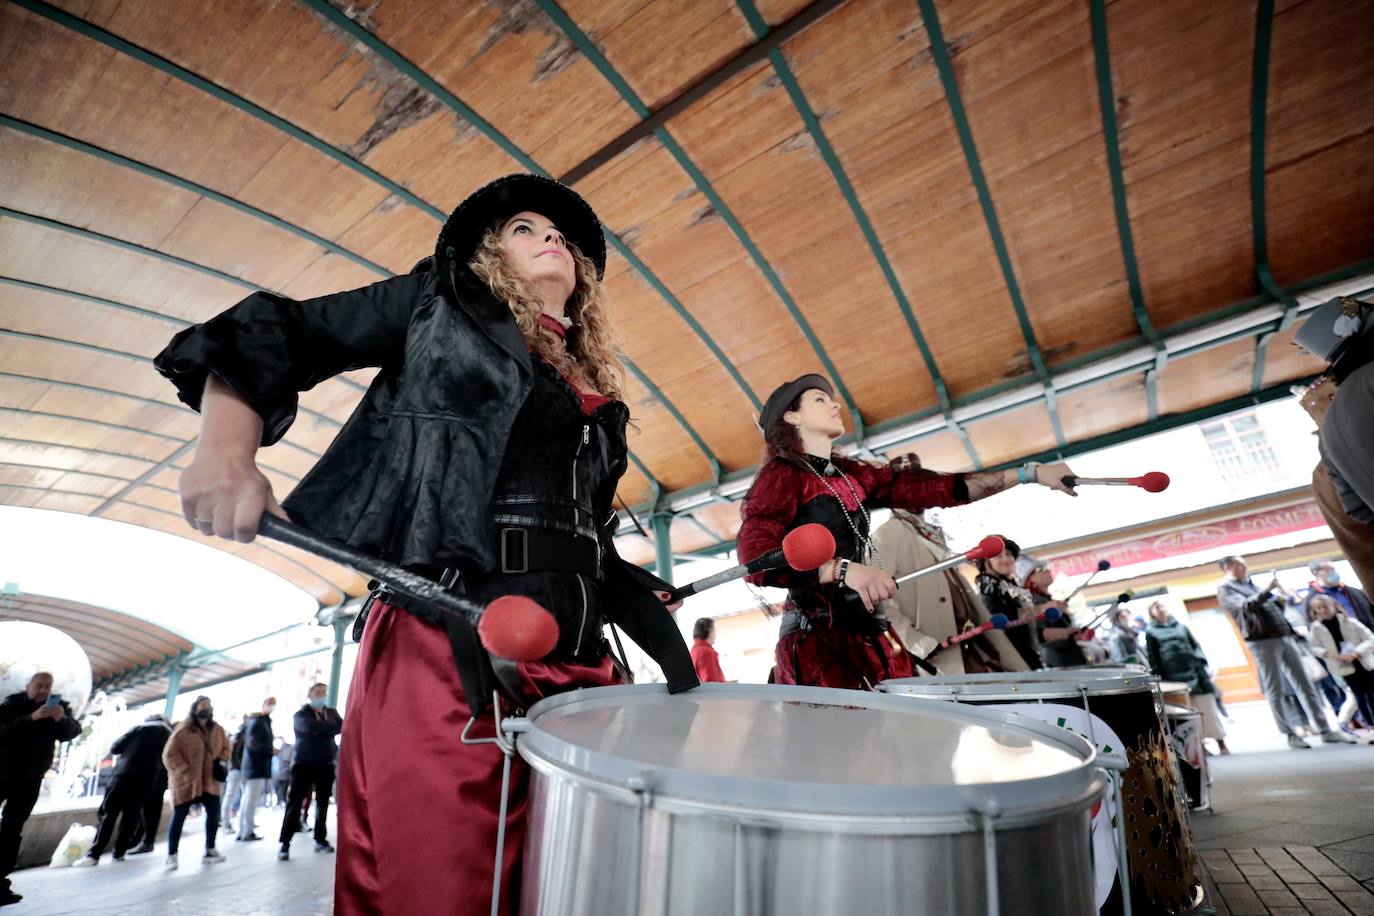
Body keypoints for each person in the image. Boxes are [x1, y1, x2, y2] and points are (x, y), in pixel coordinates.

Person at [154, 173, 694, 915]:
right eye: (525, 228)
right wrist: (224, 450)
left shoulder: (588, 384)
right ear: (487, 257)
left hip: (580, 663)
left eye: (562, 236)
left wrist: (627, 588)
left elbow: (580, 534)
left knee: (571, 889)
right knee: (450, 893)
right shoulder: (437, 302)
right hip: (447, 646)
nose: (552, 239)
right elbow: (277, 332)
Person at [736, 374, 1079, 689]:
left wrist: (1029, 474)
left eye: (831, 398)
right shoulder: (780, 476)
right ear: (791, 417)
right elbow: (755, 561)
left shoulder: (850, 473)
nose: (835, 404)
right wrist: (840, 569)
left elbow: (936, 488)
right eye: (819, 400)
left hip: (870, 639)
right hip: (819, 650)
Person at [871, 504, 1027, 675]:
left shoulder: (929, 532)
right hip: (940, 659)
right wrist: (917, 643)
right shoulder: (889, 533)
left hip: (973, 652)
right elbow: (874, 598)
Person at [1216, 556, 1352, 748]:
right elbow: (1247, 606)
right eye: (1240, 564)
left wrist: (1278, 598)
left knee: (1305, 684)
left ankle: (1325, 730)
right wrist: (1268, 590)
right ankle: (1290, 734)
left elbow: (1269, 606)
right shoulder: (1226, 588)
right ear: (1229, 567)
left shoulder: (1251, 584)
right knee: (1276, 689)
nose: (1245, 566)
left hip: (1284, 635)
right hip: (1262, 641)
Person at [0, 673, 81, 906]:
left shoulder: (58, 708)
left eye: (47, 686)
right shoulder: (12, 705)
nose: (43, 690)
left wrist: (60, 719)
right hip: (2, 773)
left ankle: (0, 880)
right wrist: (30, 718)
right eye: (39, 686)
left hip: (31, 778)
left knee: (12, 828)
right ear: (29, 687)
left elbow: (73, 732)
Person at [75, 711, 172, 865]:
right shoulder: (169, 734)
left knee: (109, 814)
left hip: (123, 775)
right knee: (131, 815)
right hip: (147, 779)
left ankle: (94, 854)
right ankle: (119, 852)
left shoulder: (139, 727)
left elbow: (115, 748)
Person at [1144, 602, 1230, 754]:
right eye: (1158, 608)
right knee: (1187, 715)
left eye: (1163, 606)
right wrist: (1160, 681)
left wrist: (1202, 662)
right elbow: (1154, 658)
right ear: (1152, 613)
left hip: (1196, 674)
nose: (1163, 609)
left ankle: (1221, 743)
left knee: (1208, 709)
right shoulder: (1151, 632)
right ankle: (1200, 748)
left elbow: (1195, 646)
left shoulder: (1181, 627)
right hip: (1174, 678)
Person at [160, 696, 230, 871]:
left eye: (209, 706)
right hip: (186, 782)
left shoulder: (217, 729)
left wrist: (221, 760)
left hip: (209, 780)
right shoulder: (183, 730)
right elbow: (169, 754)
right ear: (195, 708)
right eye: (203, 706)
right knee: (180, 815)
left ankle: (210, 849)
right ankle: (172, 854)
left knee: (214, 814)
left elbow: (226, 747)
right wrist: (184, 770)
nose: (207, 709)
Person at [278, 684, 342, 861]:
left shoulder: (331, 712)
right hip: (303, 764)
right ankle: (285, 843)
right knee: (295, 803)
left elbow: (341, 727)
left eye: (323, 692)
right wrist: (327, 727)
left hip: (325, 764)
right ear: (310, 695)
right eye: (317, 693)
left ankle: (320, 839)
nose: (321, 695)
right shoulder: (300, 714)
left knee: (323, 803)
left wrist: (322, 727)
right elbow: (309, 727)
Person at [1306, 593, 1374, 733]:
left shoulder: (1350, 622)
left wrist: (1356, 653)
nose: (1324, 610)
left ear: (1334, 606)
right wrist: (1328, 654)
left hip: (1363, 664)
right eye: (1319, 608)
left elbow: (1370, 638)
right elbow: (1313, 647)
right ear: (1315, 611)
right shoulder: (1316, 628)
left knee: (1372, 694)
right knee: (1359, 696)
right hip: (1344, 667)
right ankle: (1371, 726)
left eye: (1326, 606)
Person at [975, 538, 1042, 670]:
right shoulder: (988, 583)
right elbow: (998, 618)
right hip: (1013, 661)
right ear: (987, 562)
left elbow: (1026, 629)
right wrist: (1041, 609)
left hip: (1030, 656)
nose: (1006, 559)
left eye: (1009, 554)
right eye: (998, 556)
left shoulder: (1012, 585)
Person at [1017, 555, 1085, 668]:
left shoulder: (1045, 600)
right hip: (1058, 660)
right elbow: (1039, 633)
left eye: (1046, 568)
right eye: (1041, 570)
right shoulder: (1033, 601)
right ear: (1030, 578)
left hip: (1067, 657)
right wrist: (1068, 633)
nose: (1048, 571)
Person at [237, 698, 275, 842]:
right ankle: (247, 831)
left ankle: (245, 830)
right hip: (254, 767)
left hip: (253, 767)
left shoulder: (259, 722)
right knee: (250, 800)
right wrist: (270, 750)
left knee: (248, 799)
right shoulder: (258, 722)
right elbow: (253, 744)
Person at [1307, 560, 1374, 631]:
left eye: (1333, 569)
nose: (1332, 572)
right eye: (1328, 570)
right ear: (1315, 573)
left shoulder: (1354, 592)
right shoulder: (1312, 599)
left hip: (1367, 633)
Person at [221, 720, 246, 834]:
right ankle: (225, 823)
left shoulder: (238, 737)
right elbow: (234, 754)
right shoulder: (239, 737)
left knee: (242, 795)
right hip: (236, 769)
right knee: (230, 796)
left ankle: (244, 822)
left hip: (238, 769)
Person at [690, 619, 727, 683]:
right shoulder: (707, 652)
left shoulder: (694, 650)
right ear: (709, 631)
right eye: (714, 630)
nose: (715, 635)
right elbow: (713, 683)